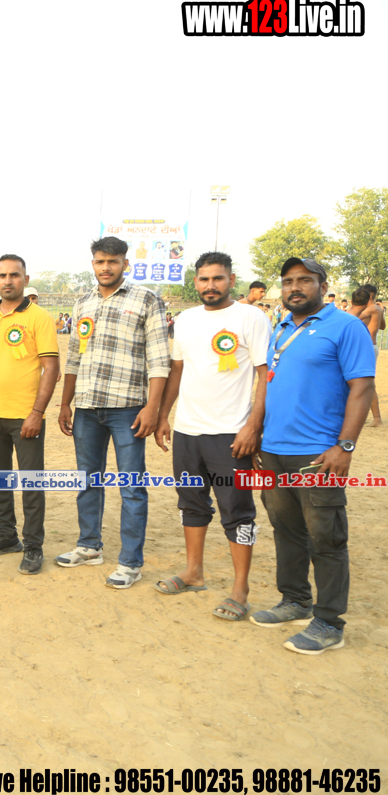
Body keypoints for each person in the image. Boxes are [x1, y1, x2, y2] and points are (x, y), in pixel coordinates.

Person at [250, 257, 375, 654]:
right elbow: (270, 384)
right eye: (288, 281)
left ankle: (329, 623)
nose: (295, 287)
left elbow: (362, 389)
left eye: (304, 280)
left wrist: (345, 446)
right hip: (274, 451)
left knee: (326, 537)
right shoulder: (281, 327)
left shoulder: (346, 327)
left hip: (318, 454)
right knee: (286, 530)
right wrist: (258, 435)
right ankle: (295, 600)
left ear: (322, 284)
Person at [153, 252, 270, 620]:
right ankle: (193, 572)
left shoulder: (252, 317)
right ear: (196, 282)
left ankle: (240, 588)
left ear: (231, 280)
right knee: (191, 503)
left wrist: (253, 426)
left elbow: (265, 375)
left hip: (231, 434)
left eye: (218, 279)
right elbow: (177, 371)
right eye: (204, 279)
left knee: (238, 510)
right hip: (188, 431)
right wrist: (164, 416)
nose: (210, 286)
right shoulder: (185, 320)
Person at [57, 236, 170, 588]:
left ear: (125, 263)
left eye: (113, 261)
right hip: (87, 406)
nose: (105, 267)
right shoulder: (83, 303)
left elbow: (159, 358)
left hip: (128, 408)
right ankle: (89, 546)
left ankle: (130, 563)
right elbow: (74, 356)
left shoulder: (146, 299)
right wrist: (65, 402)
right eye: (100, 261)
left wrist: (152, 408)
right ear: (93, 263)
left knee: (132, 486)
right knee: (87, 480)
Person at [0, 254, 59, 574]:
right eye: (2, 275)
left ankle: (33, 545)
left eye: (14, 275)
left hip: (26, 415)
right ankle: (6, 535)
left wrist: (37, 412)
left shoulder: (40, 317)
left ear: (25, 280)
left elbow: (51, 368)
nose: (8, 281)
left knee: (31, 483)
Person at [347, 285, 383, 427]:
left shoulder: (370, 309)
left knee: (366, 383)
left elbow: (350, 317)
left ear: (369, 296)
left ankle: (377, 418)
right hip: (371, 346)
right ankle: (376, 418)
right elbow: (382, 326)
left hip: (366, 347)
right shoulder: (377, 309)